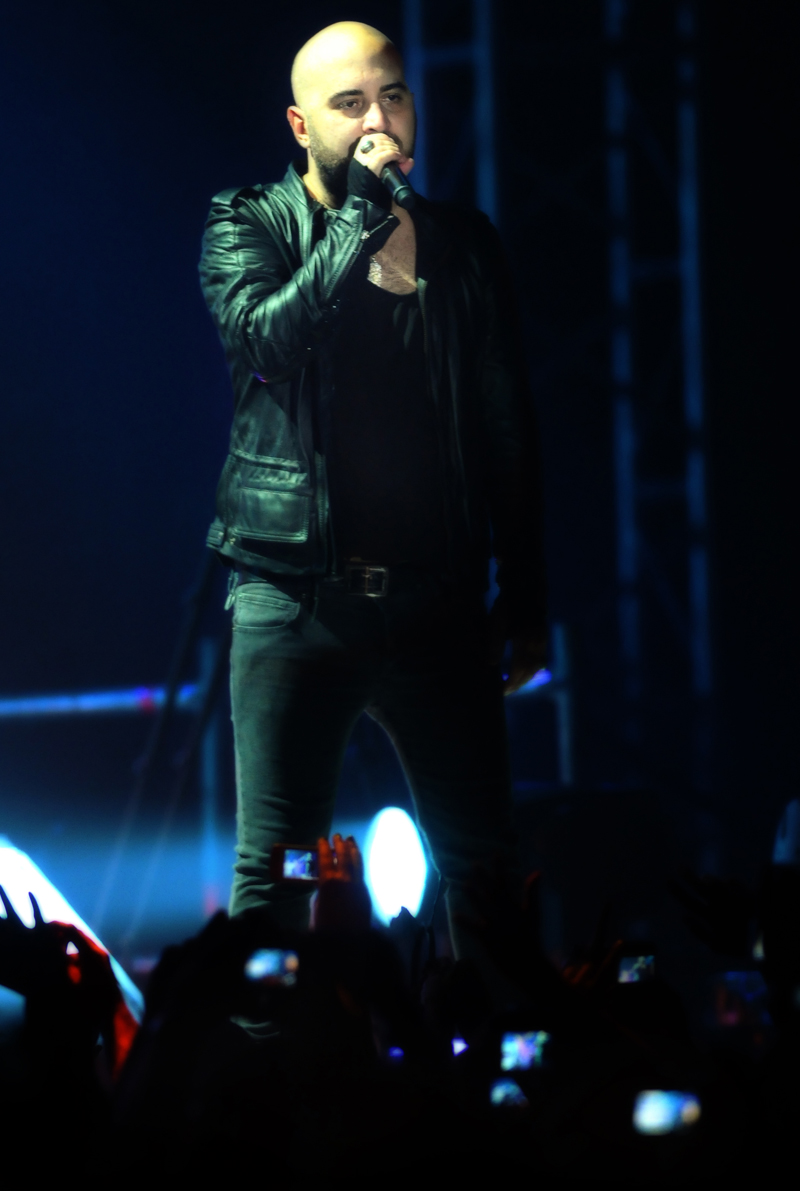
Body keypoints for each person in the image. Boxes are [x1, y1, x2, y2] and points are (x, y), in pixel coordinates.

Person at [198, 21, 547, 969]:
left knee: (485, 867)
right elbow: (268, 345)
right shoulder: (247, 223)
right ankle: (271, 1056)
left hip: (437, 604)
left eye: (392, 97)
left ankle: (505, 1055)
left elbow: (507, 427)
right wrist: (358, 221)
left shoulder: (463, 244)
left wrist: (526, 592)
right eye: (349, 105)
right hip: (298, 602)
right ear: (300, 126)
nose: (376, 123)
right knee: (280, 875)